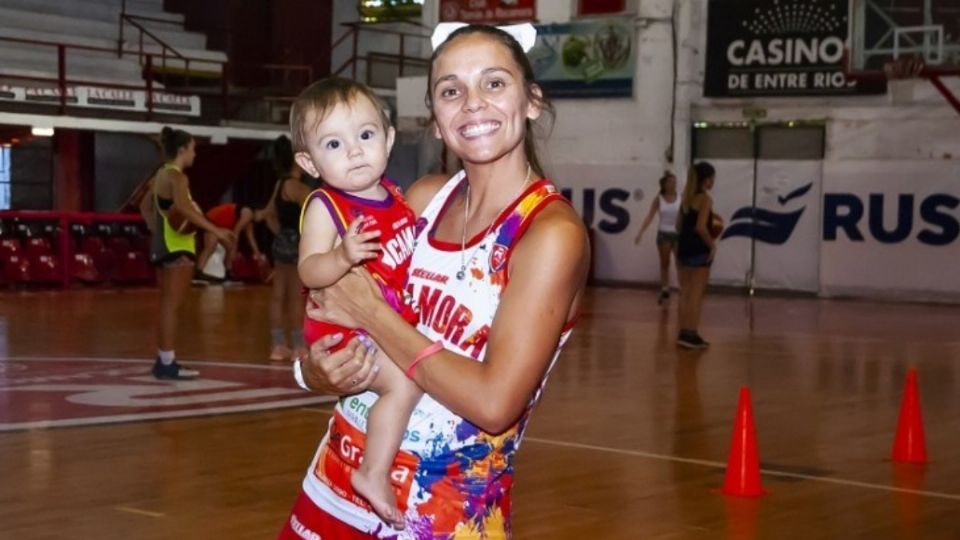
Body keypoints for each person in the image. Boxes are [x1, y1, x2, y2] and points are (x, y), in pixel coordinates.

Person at [278, 23, 590, 539]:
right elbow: (332, 306)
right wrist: (312, 373)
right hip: (335, 483)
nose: (472, 103)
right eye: (451, 90)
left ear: (532, 100)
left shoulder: (549, 233)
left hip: (439, 516)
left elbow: (494, 405)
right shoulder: (419, 200)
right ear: (437, 121)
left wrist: (373, 315)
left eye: (494, 83)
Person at [293, 77, 421, 527]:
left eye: (365, 135)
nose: (354, 150)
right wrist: (340, 256)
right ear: (308, 161)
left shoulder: (397, 197)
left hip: (376, 320)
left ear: (387, 138)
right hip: (343, 326)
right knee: (406, 384)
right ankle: (372, 471)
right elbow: (308, 270)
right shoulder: (327, 206)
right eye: (334, 143)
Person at [148, 126, 234, 379]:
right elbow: (185, 210)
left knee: (166, 305)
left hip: (163, 245)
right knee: (171, 307)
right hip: (178, 247)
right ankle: (167, 362)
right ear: (182, 149)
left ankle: (164, 359)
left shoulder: (159, 175)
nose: (195, 154)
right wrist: (216, 231)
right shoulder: (177, 177)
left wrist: (158, 230)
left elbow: (145, 206)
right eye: (193, 149)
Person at [260, 135, 312, 362]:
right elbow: (313, 218)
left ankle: (277, 345)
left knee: (277, 296)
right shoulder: (300, 188)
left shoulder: (279, 185)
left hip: (281, 243)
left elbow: (268, 214)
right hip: (297, 245)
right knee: (295, 297)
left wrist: (281, 233)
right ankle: (299, 347)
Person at [676, 161, 717, 349]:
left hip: (683, 248)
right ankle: (691, 334)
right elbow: (701, 227)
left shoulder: (686, 199)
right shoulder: (705, 199)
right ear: (707, 179)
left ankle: (683, 332)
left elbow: (678, 226)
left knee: (685, 293)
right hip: (699, 250)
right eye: (712, 178)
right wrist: (712, 245)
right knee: (696, 295)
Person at [634, 171, 680, 304]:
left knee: (680, 262)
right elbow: (650, 216)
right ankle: (665, 288)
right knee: (665, 263)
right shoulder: (658, 199)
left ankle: (683, 287)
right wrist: (641, 233)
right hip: (664, 234)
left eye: (674, 182)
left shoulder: (680, 198)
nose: (673, 184)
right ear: (664, 184)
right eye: (670, 182)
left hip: (677, 234)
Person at [195, 202, 264, 279]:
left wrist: (258, 255)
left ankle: (228, 271)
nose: (262, 218)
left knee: (229, 246)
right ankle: (199, 271)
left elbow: (251, 239)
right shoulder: (248, 213)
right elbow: (236, 231)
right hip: (211, 221)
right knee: (211, 246)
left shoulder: (250, 222)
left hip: (219, 226)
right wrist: (235, 248)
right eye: (262, 214)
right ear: (257, 210)